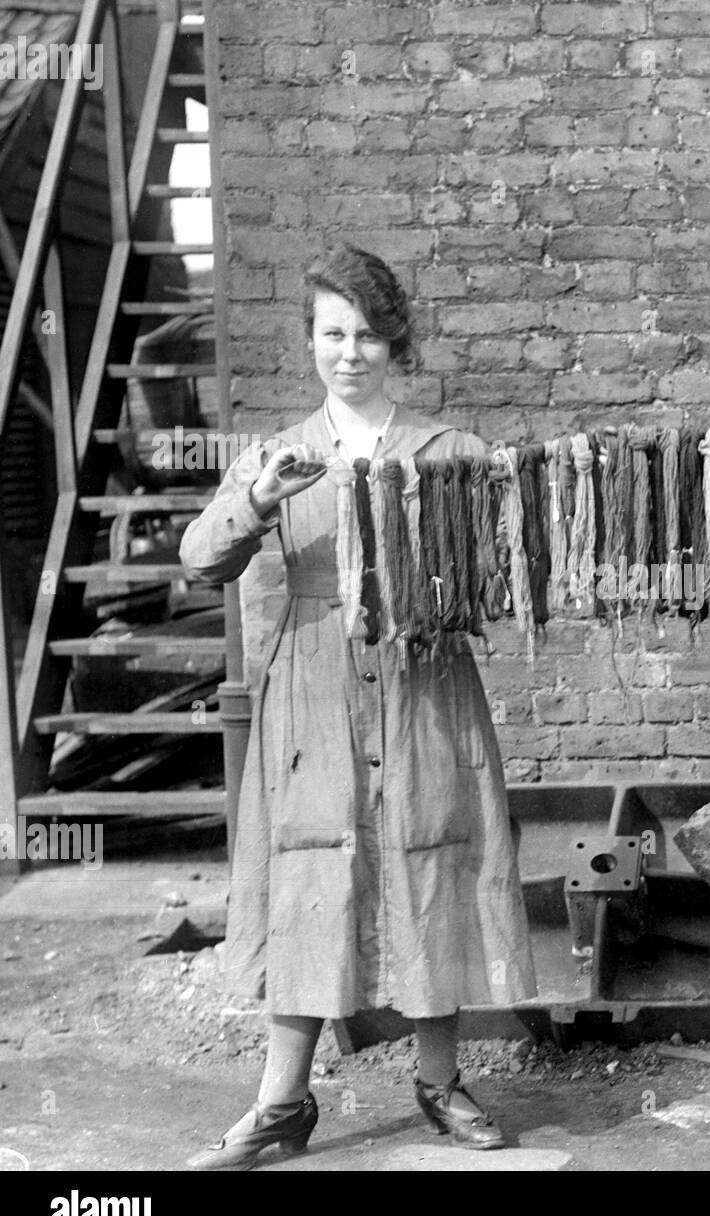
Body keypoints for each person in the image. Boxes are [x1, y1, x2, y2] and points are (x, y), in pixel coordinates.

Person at [180, 243, 536, 1168]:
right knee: (308, 870)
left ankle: (440, 1078)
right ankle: (281, 1102)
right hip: (312, 693)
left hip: (423, 685)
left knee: (435, 860)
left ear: (396, 344)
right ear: (310, 343)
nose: (352, 352)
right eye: (334, 334)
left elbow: (504, 573)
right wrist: (257, 500)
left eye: (370, 335)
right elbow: (199, 559)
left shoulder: (451, 451)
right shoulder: (278, 457)